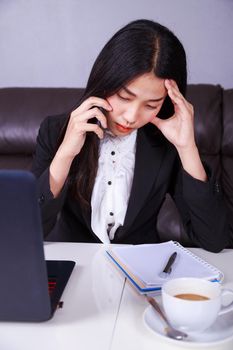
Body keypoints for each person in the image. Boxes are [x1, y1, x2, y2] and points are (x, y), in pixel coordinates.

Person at [32, 19, 229, 252]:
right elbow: (28, 230)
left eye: (151, 104)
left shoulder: (166, 144)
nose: (131, 116)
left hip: (141, 271)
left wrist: (187, 149)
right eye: (124, 97)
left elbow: (215, 240)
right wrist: (65, 154)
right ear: (105, 80)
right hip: (75, 266)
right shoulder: (55, 130)